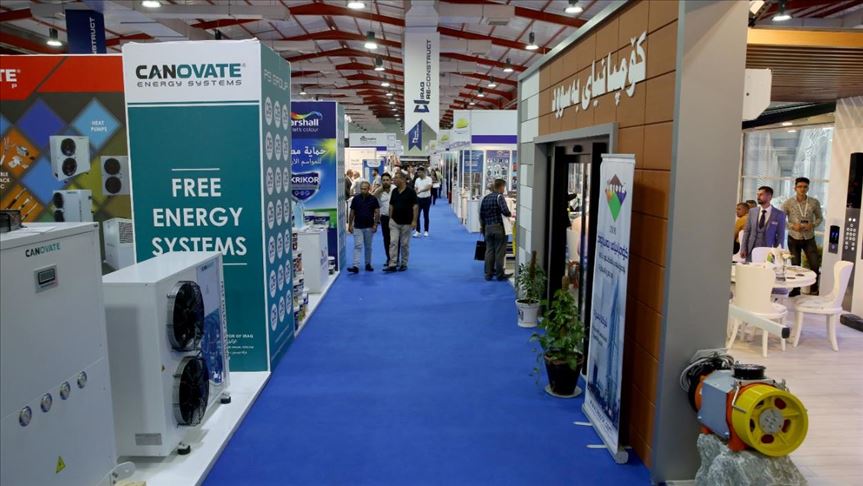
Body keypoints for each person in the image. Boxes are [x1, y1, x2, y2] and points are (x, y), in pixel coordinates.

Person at [781, 176, 823, 295]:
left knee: (814, 264)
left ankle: (814, 289)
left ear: (808, 188)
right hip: (793, 237)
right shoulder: (788, 203)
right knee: (795, 265)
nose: (802, 189)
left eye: (805, 187)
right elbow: (781, 219)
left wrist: (812, 225)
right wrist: (792, 226)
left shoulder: (814, 202)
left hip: (809, 238)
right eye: (800, 186)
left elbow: (820, 218)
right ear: (795, 188)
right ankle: (796, 289)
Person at [741, 186, 786, 262]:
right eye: (757, 194)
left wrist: (779, 253)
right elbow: (747, 231)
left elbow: (780, 236)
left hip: (769, 250)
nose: (758, 197)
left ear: (769, 196)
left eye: (761, 194)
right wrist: (743, 248)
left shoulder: (779, 214)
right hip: (750, 249)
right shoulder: (752, 211)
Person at [384, 172, 418, 273]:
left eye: (396, 178)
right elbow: (391, 205)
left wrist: (414, 221)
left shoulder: (411, 192)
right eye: (394, 178)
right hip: (394, 221)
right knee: (393, 242)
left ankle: (404, 263)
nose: (394, 180)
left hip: (407, 222)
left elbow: (415, 207)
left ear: (403, 179)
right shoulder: (394, 191)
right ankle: (392, 264)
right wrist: (390, 219)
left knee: (404, 244)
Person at [480, 179, 513, 281]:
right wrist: (510, 214)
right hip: (498, 228)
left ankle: (488, 274)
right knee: (499, 251)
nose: (504, 189)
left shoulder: (485, 198)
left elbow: (481, 214)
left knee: (489, 250)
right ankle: (499, 274)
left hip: (488, 228)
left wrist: (483, 227)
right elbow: (505, 211)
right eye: (504, 187)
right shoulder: (499, 197)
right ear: (501, 187)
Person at [347, 181, 380, 274]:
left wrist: (375, 225)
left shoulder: (373, 199)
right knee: (357, 246)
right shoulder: (356, 199)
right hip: (357, 226)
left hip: (369, 226)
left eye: (365, 189)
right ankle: (355, 266)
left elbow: (377, 212)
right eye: (361, 189)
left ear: (369, 189)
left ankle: (368, 264)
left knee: (368, 247)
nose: (363, 190)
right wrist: (350, 225)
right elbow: (352, 212)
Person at [374, 172, 394, 264]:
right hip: (384, 218)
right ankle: (389, 258)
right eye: (384, 180)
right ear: (381, 181)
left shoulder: (395, 189)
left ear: (390, 181)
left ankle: (395, 259)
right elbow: (371, 199)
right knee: (386, 239)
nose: (385, 182)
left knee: (395, 239)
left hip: (395, 217)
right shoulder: (379, 191)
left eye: (387, 180)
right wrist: (378, 190)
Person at [414, 166, 433, 237]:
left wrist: (420, 190)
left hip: (427, 199)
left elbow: (429, 187)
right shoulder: (417, 180)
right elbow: (416, 188)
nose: (418, 174)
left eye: (420, 172)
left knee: (426, 215)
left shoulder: (429, 179)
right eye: (418, 172)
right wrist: (416, 192)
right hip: (419, 199)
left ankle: (426, 231)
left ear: (424, 172)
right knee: (417, 215)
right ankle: (418, 231)